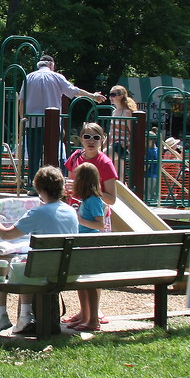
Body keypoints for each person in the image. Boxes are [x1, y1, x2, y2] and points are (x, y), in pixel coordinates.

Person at [0, 165, 78, 335]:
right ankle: (24, 316)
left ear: (39, 188)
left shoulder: (37, 212)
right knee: (27, 260)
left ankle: (5, 316)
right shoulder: (71, 212)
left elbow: (6, 235)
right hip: (69, 272)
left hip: (43, 273)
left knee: (1, 262)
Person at [19, 55, 105, 187]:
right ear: (51, 65)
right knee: (53, 155)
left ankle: (32, 184)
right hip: (51, 124)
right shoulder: (56, 77)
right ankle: (52, 186)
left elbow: (21, 101)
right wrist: (92, 96)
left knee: (33, 157)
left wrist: (23, 121)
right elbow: (74, 91)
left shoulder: (28, 77)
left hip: (32, 122)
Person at [63, 122, 118, 328]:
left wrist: (91, 191)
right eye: (87, 136)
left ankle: (92, 314)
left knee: (90, 269)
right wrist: (72, 189)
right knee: (79, 268)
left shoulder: (105, 163)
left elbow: (111, 199)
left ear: (102, 140)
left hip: (93, 218)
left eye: (96, 137)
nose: (91, 141)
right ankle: (84, 312)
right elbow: (70, 187)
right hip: (78, 214)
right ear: (81, 139)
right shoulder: (75, 158)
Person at [67, 162, 107, 331]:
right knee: (81, 282)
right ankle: (85, 314)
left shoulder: (94, 200)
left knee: (89, 283)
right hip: (81, 245)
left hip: (89, 246)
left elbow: (100, 224)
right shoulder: (85, 200)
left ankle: (93, 320)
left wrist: (79, 220)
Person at [106, 85, 136, 178]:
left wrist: (130, 147)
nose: (110, 97)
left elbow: (132, 132)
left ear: (121, 96)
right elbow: (111, 132)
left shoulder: (127, 112)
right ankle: (120, 191)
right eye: (110, 94)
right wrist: (103, 144)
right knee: (119, 175)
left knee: (100, 158)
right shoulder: (114, 112)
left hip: (121, 146)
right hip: (113, 144)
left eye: (113, 94)